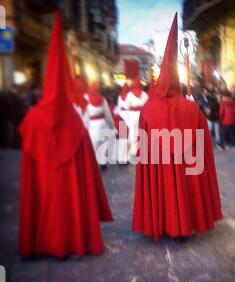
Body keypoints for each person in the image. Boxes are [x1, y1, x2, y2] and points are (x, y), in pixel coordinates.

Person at [19, 11, 113, 258]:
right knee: (69, 199)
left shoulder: (33, 120)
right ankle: (72, 239)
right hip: (71, 186)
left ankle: (43, 241)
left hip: (45, 183)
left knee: (46, 200)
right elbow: (87, 174)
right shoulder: (74, 123)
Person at [132, 13, 222, 239]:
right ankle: (184, 226)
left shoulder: (147, 110)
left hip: (159, 164)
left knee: (161, 183)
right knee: (183, 182)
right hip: (186, 168)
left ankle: (160, 222)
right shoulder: (193, 111)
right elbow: (203, 153)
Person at [85, 80, 116, 165]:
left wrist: (86, 127)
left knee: (94, 143)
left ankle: (95, 162)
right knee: (103, 142)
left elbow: (86, 115)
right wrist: (111, 124)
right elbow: (107, 114)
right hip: (102, 123)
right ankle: (103, 161)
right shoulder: (102, 99)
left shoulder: (86, 100)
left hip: (92, 124)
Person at [122, 78, 148, 158]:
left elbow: (126, 106)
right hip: (142, 115)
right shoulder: (144, 94)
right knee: (142, 131)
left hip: (132, 115)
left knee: (132, 131)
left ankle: (134, 150)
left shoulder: (129, 95)